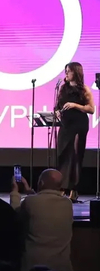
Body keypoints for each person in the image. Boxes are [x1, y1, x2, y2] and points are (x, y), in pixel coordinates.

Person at [10, 169, 74, 271]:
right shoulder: (67, 203)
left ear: (41, 183)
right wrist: (30, 192)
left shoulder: (30, 202)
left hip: (32, 270)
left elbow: (14, 213)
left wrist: (15, 191)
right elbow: (45, 203)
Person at [55, 62, 95, 202]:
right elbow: (57, 106)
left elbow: (91, 109)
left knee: (75, 156)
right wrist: (57, 112)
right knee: (63, 155)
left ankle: (73, 189)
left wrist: (75, 105)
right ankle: (61, 187)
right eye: (65, 71)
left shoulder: (84, 89)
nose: (66, 73)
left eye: (69, 71)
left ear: (76, 72)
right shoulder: (63, 88)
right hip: (65, 125)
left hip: (79, 124)